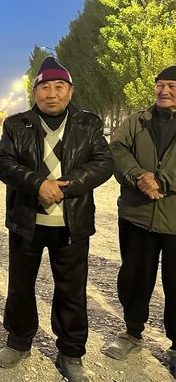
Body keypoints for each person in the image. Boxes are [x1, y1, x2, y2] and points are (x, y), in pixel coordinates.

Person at [0, 57, 113, 382]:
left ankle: (71, 351)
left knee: (72, 290)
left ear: (70, 91)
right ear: (35, 92)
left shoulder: (88, 124)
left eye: (59, 86)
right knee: (20, 286)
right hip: (26, 222)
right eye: (45, 87)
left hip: (72, 224)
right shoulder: (16, 125)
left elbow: (103, 162)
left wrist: (66, 186)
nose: (52, 93)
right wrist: (37, 185)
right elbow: (2, 163)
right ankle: (18, 342)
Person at [103, 65, 176, 376]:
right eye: (160, 85)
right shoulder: (136, 121)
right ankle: (132, 333)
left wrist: (162, 181)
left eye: (171, 85)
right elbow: (117, 150)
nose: (164, 91)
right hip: (136, 216)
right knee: (134, 277)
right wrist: (138, 177)